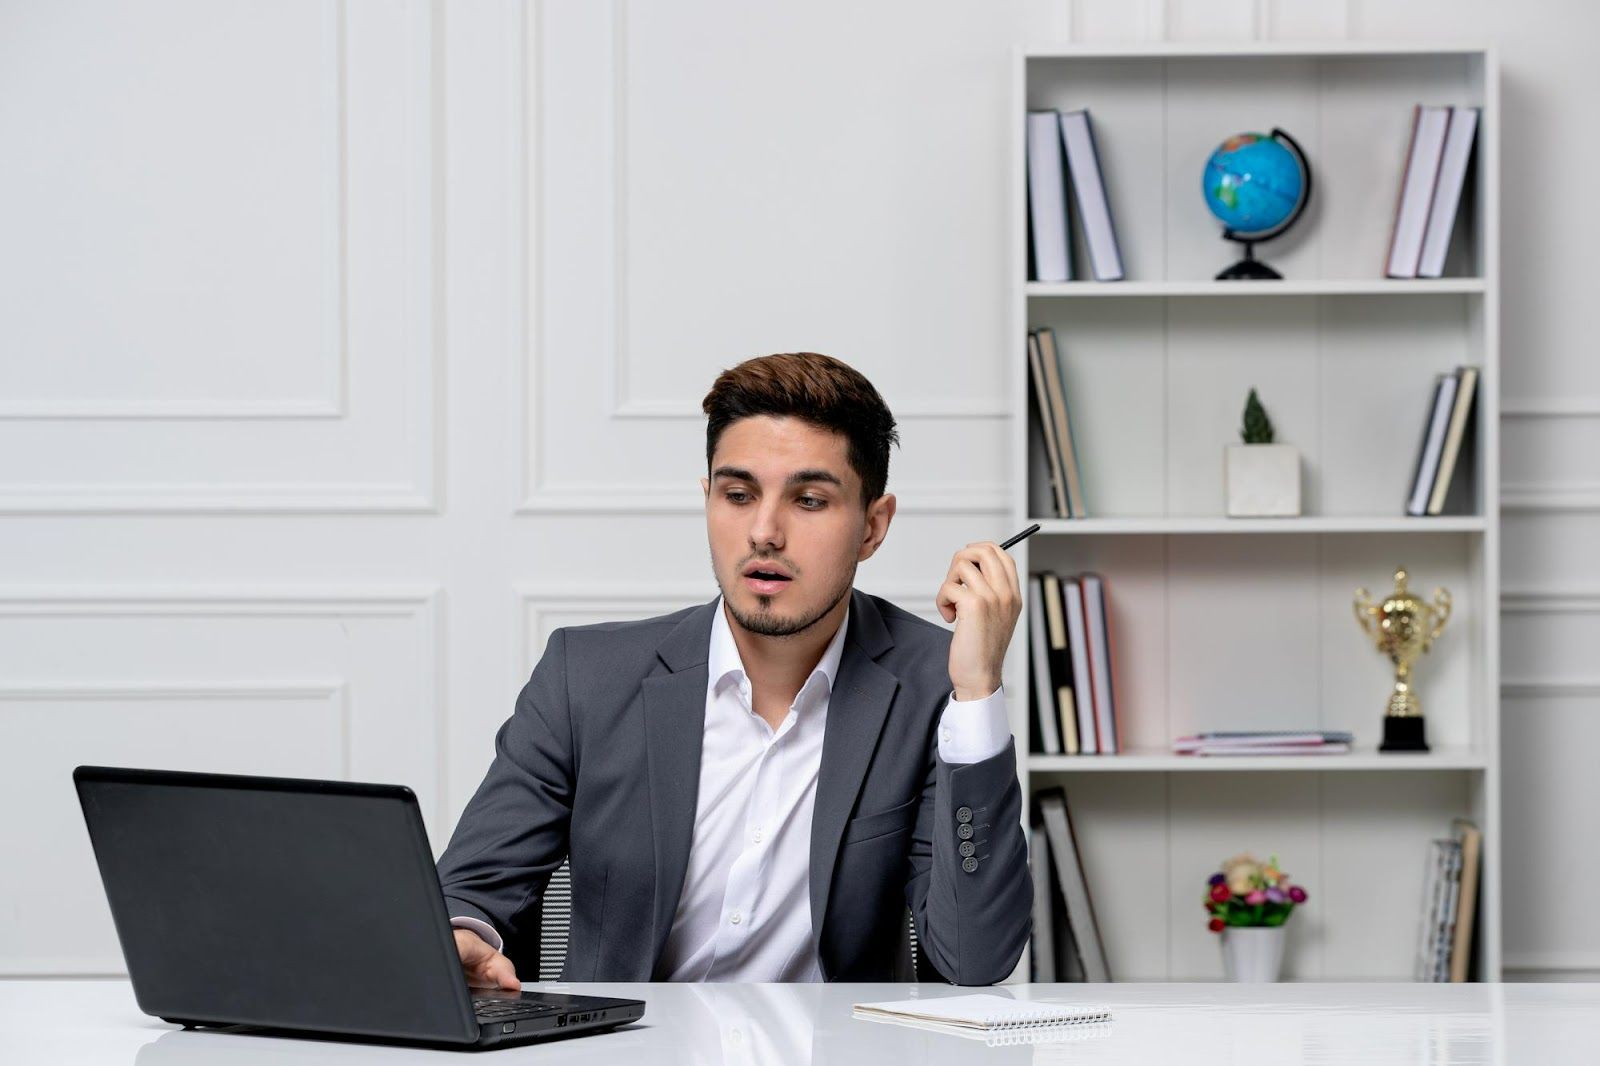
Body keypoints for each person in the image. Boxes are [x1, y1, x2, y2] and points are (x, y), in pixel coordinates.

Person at [437, 352, 1030, 986]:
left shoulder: (930, 686)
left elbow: (975, 956)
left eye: (808, 500)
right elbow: (474, 884)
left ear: (872, 527)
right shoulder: (584, 677)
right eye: (738, 495)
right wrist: (464, 935)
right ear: (708, 500)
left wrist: (975, 695)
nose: (764, 532)